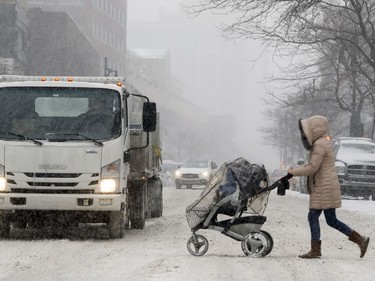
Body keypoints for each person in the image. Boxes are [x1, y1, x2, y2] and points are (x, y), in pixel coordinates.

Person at [287, 115, 370, 259]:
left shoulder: (319, 145)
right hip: (325, 187)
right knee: (331, 220)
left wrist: (292, 171)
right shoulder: (322, 143)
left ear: (314, 129)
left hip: (324, 188)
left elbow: (312, 167)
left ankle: (316, 250)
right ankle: (360, 240)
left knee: (313, 216)